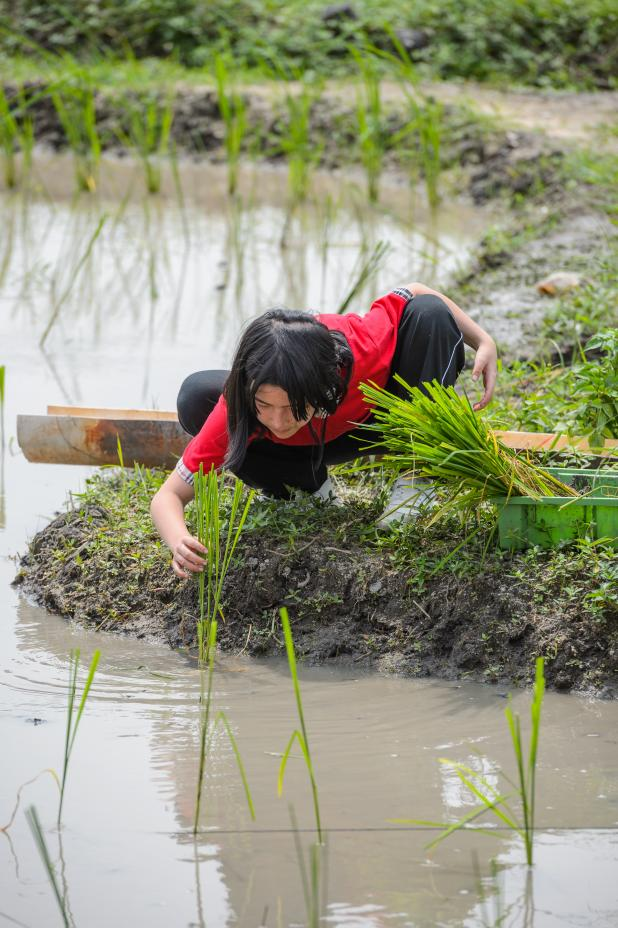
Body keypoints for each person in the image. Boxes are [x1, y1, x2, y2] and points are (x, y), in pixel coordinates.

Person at [150, 282, 497, 578]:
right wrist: (179, 541)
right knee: (196, 394)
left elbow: (419, 292)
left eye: (293, 407)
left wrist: (483, 340)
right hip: (306, 447)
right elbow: (167, 497)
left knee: (430, 314)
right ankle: (304, 489)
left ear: (323, 386)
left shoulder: (365, 345)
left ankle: (416, 476)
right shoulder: (239, 403)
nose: (278, 422)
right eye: (264, 405)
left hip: (376, 423)